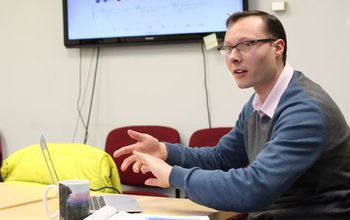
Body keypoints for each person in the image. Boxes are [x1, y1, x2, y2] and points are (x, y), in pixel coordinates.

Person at [113, 10, 350, 219]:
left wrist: (173, 174)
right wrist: (165, 151)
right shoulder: (258, 103)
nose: (233, 57)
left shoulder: (305, 110)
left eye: (246, 45)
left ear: (278, 48)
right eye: (227, 47)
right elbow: (222, 158)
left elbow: (254, 189)